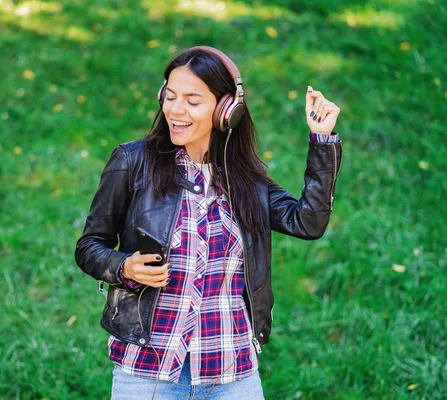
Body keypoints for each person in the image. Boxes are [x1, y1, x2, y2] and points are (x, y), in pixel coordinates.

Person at [75, 46, 342, 400]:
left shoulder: (246, 180)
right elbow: (89, 246)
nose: (175, 110)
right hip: (148, 367)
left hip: (231, 370)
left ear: (226, 110)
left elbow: (307, 222)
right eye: (169, 97)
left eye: (191, 100)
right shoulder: (132, 162)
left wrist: (321, 142)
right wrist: (124, 266)